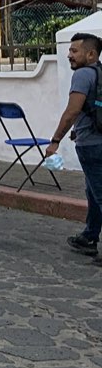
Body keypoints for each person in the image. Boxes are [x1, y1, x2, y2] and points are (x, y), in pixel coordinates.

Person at [47, 32, 102, 261]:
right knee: (93, 192)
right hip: (96, 137)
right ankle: (89, 237)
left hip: (91, 146)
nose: (69, 55)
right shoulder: (100, 72)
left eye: (74, 51)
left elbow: (72, 111)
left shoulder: (83, 75)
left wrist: (55, 140)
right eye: (69, 50)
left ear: (90, 54)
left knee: (99, 194)